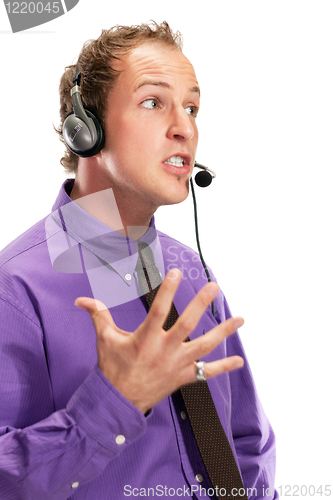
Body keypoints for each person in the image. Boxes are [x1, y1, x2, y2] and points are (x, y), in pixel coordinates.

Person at [0, 22, 277, 499]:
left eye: (192, 108)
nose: (185, 127)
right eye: (153, 102)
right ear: (84, 128)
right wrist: (114, 402)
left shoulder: (191, 276)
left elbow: (246, 444)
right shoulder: (15, 291)